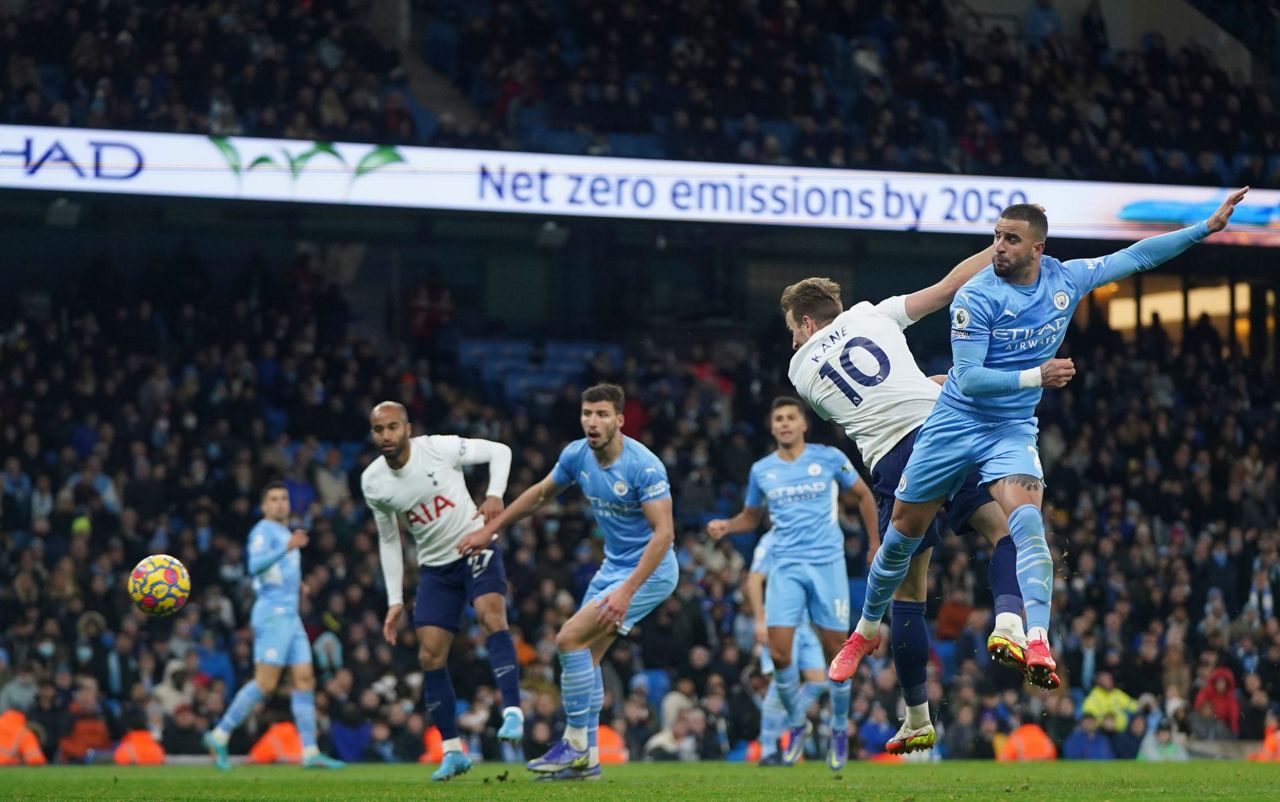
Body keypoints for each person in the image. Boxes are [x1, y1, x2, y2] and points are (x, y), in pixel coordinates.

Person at [833, 188, 1250, 691]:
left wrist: (1206, 228)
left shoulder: (1065, 280)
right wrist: (1038, 376)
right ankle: (862, 633)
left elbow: (1137, 256)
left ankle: (1037, 638)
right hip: (953, 425)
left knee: (1027, 521)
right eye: (996, 238)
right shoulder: (975, 296)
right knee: (900, 538)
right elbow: (967, 380)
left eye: (1010, 239)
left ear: (1038, 249)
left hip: (1009, 430)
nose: (998, 248)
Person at [780, 245, 1033, 755]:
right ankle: (1010, 619)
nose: (792, 338)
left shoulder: (800, 371)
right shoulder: (872, 314)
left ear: (807, 324)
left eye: (791, 328)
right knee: (1004, 531)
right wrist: (998, 248)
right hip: (946, 430)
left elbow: (866, 403)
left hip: (896, 461)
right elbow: (946, 290)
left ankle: (917, 716)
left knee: (909, 597)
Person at [457, 384, 677, 781]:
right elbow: (541, 494)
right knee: (584, 659)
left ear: (620, 421)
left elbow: (663, 535)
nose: (593, 422)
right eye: (587, 413)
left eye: (603, 414)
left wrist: (627, 592)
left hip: (651, 570)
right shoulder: (576, 455)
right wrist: (491, 529)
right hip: (613, 567)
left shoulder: (644, 466)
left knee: (567, 639)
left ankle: (574, 744)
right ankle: (587, 760)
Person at [705, 397, 879, 769]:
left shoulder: (829, 457)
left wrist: (874, 542)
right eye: (778, 418)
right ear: (772, 427)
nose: (784, 423)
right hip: (785, 567)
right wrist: (727, 525)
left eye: (790, 418)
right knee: (780, 654)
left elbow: (864, 494)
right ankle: (797, 724)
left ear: (804, 424)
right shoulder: (762, 470)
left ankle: (836, 729)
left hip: (827, 565)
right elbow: (752, 517)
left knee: (838, 655)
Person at [361, 401, 521, 782]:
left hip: (475, 544)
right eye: (379, 429)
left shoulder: (437, 448)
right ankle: (453, 752)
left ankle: (513, 709)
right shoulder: (373, 482)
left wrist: (495, 494)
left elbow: (501, 451)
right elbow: (389, 540)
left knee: (489, 614)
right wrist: (395, 599)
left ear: (407, 428)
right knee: (430, 654)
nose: (386, 435)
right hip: (435, 568)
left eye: (393, 427)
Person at [203, 481, 344, 770]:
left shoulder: (283, 532)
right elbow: (254, 566)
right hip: (272, 615)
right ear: (264, 506)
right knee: (266, 683)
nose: (280, 503)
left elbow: (277, 572)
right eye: (274, 499)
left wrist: (299, 584)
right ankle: (220, 734)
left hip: (291, 616)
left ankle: (310, 751)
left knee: (304, 679)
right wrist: (287, 547)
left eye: (284, 498)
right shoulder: (263, 532)